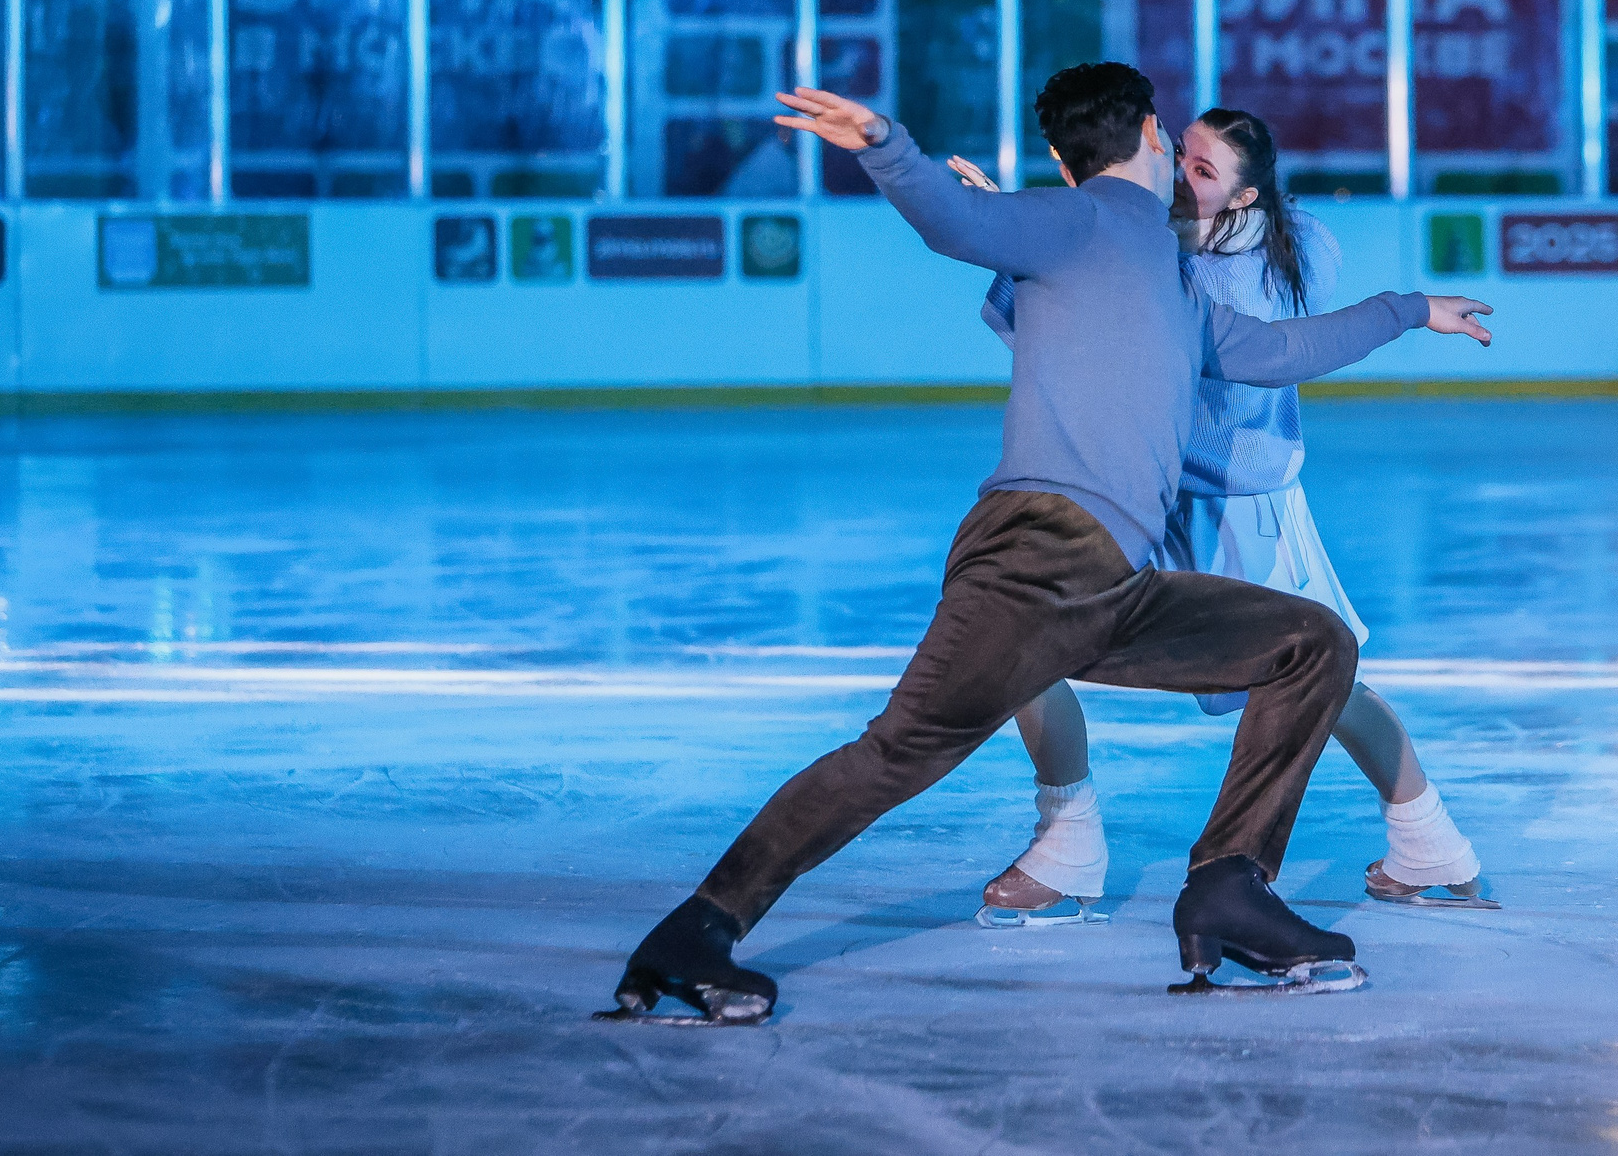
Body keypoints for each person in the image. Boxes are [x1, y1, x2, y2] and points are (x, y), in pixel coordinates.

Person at [602, 65, 1495, 1023]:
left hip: (1113, 581)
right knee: (892, 756)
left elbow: (1278, 353)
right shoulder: (1082, 222)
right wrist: (884, 144)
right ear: (1150, 134)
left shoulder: (1161, 266)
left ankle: (1230, 886)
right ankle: (697, 930)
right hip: (1034, 563)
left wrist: (1409, 310)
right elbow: (953, 220)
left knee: (1312, 641)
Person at [962, 109, 1490, 928]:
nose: (1179, 176)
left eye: (1203, 173)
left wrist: (1042, 238)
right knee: (1024, 638)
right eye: (1180, 155)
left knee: (1327, 679)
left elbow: (1089, 323)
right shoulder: (1196, 241)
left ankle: (1428, 839)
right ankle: (1067, 839)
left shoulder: (1209, 272)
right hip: (1150, 500)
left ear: (1244, 195)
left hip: (1244, 512)